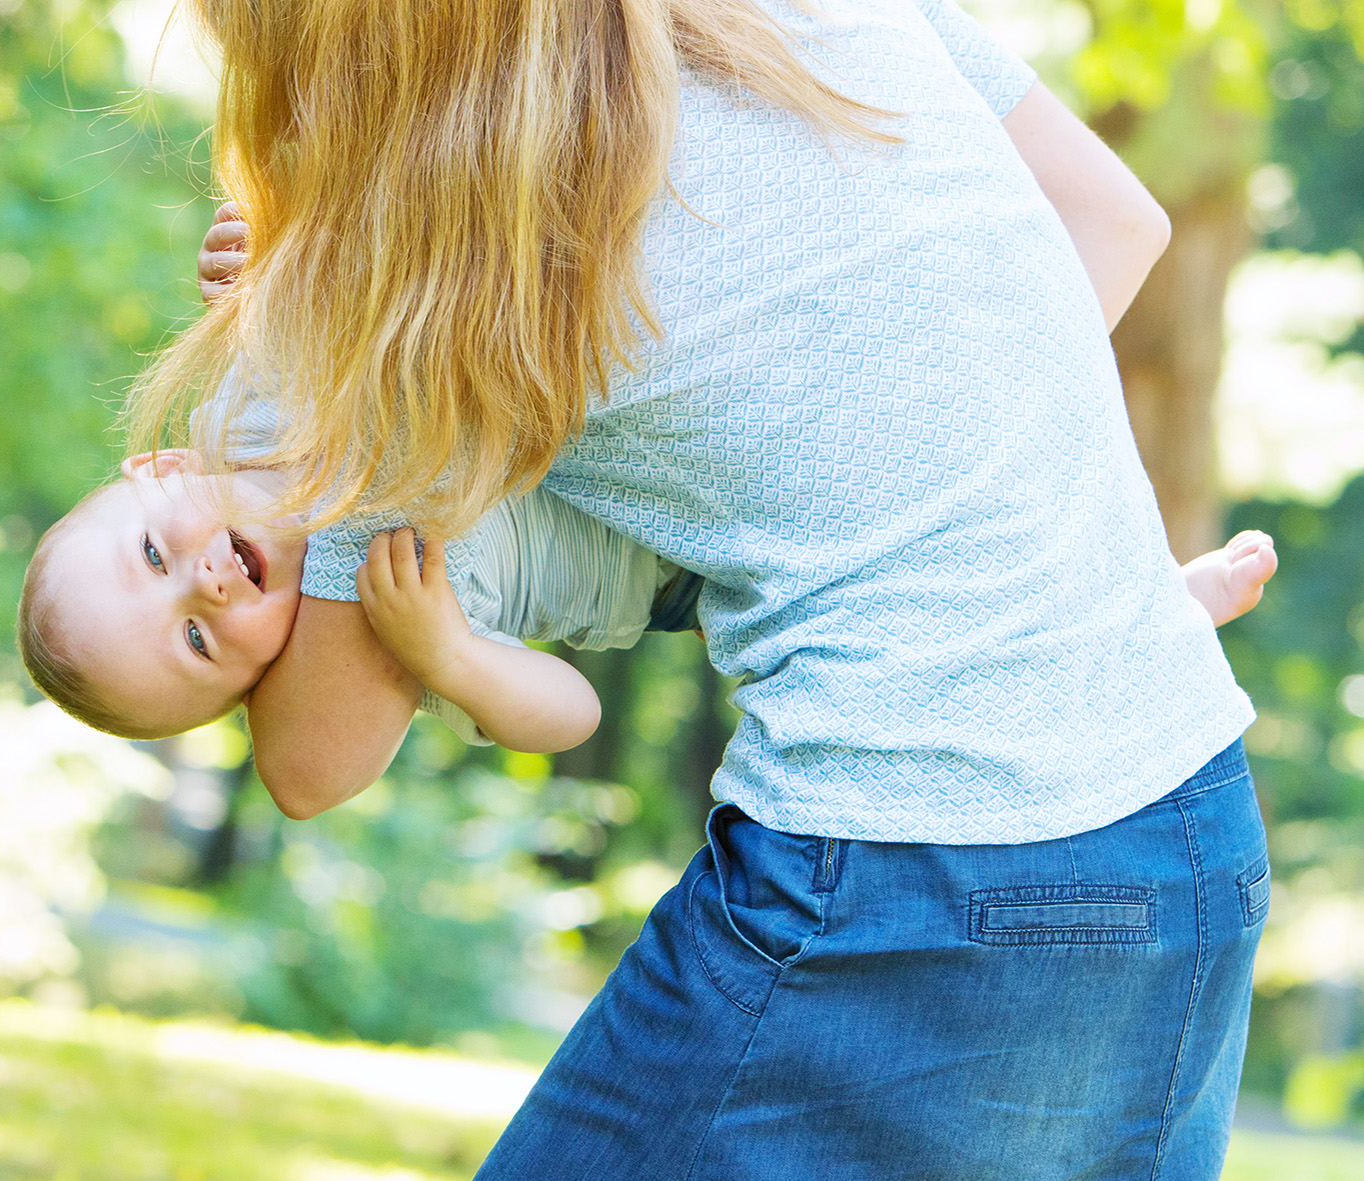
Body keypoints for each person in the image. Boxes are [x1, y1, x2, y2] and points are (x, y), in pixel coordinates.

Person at [123, 0, 1272, 1173]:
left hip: (904, 862)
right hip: (1185, 822)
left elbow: (314, 759)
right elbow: (1114, 220)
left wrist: (297, 331)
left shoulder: (421, 234)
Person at [17, 440, 1277, 751]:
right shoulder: (370, 628)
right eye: (197, 642)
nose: (202, 583)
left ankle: (1113, 600)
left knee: (951, 511)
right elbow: (567, 716)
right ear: (248, 682)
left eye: (148, 552)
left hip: (659, 450)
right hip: (690, 564)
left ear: (156, 468)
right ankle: (1133, 614)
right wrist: (450, 655)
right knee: (925, 612)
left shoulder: (256, 401)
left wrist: (250, 256)